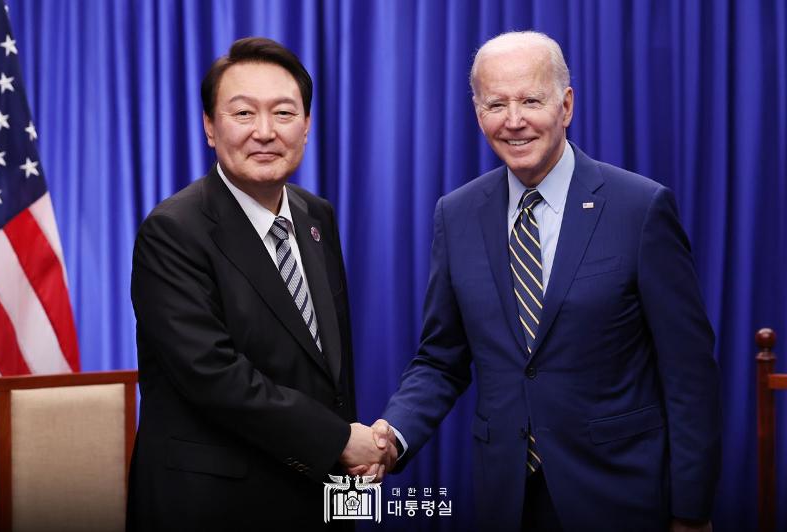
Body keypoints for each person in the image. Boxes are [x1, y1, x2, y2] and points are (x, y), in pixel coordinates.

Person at [369, 31, 721, 531]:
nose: (514, 121)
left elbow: (689, 373)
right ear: (477, 114)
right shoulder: (458, 213)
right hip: (506, 498)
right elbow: (441, 359)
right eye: (496, 104)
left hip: (621, 494)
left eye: (530, 100)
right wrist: (392, 434)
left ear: (566, 105)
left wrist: (692, 510)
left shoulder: (639, 209)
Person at [127, 37, 395, 531]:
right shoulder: (173, 231)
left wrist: (351, 488)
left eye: (284, 113)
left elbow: (332, 372)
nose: (266, 132)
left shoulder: (317, 215)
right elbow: (214, 377)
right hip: (215, 505)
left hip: (316, 495)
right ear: (210, 126)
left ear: (308, 126)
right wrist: (338, 440)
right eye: (244, 114)